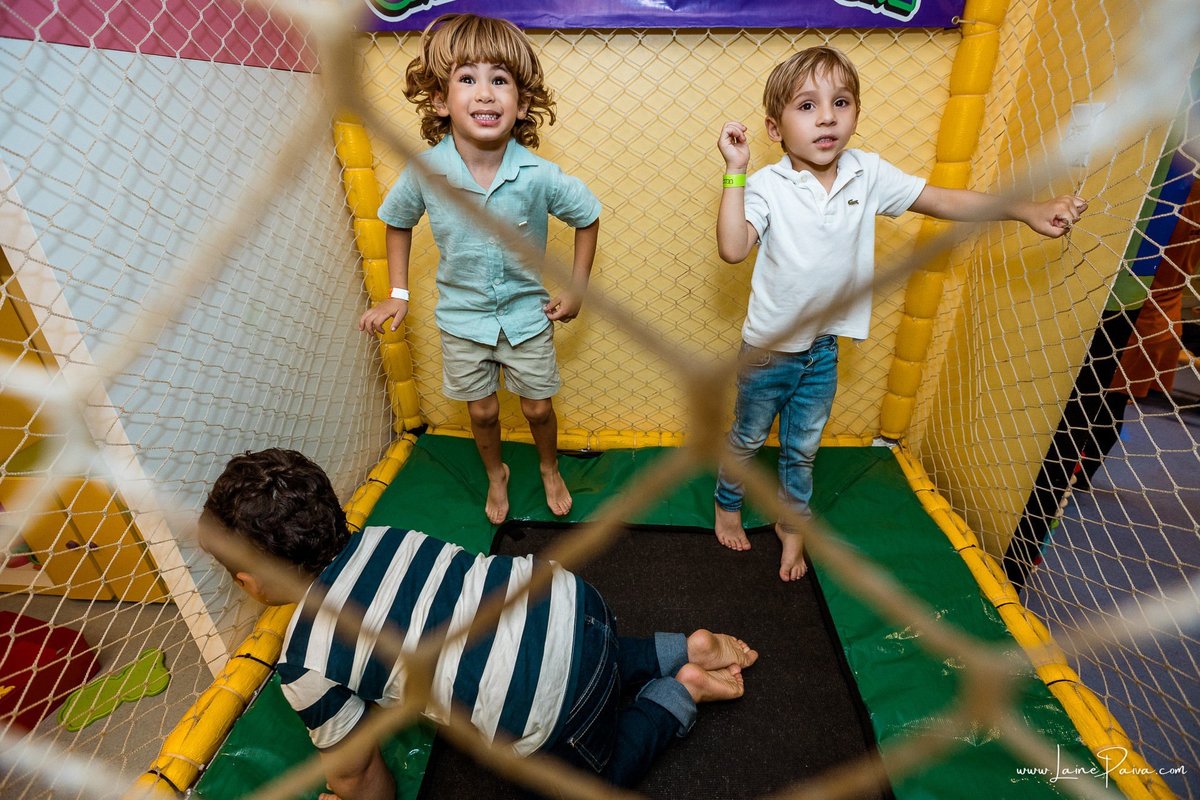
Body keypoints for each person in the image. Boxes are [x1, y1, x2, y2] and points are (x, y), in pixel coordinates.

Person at [713, 46, 1088, 582]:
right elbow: (732, 247)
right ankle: (728, 502)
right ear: (774, 128)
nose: (827, 117)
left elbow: (942, 201)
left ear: (856, 115)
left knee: (802, 448)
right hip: (767, 351)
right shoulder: (768, 187)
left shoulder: (866, 173)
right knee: (748, 438)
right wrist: (735, 172)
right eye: (807, 106)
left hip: (821, 350)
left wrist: (1024, 210)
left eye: (841, 102)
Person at [198, 448, 757, 800]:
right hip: (575, 600)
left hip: (551, 707)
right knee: (560, 649)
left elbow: (358, 773)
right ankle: (685, 647)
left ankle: (675, 696)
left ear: (251, 580)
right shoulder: (389, 537)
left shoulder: (306, 659)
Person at [358, 14, 601, 525]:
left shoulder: (539, 174)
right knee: (483, 411)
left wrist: (576, 289)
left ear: (523, 102)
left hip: (527, 318)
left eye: (500, 80)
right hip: (462, 321)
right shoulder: (425, 170)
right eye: (467, 79)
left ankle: (549, 466)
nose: (486, 94)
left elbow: (588, 215)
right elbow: (396, 222)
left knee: (537, 408)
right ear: (442, 100)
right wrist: (398, 294)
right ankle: (497, 475)